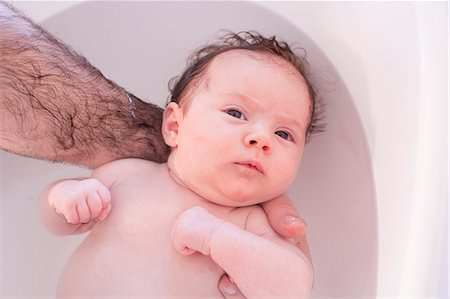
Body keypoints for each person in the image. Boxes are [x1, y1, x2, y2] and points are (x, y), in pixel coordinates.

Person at [0, 2, 313, 297]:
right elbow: (53, 221)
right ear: (175, 127)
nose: (262, 138)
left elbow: (294, 287)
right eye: (236, 113)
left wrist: (217, 238)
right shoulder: (127, 175)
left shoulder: (250, 224)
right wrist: (65, 199)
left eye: (284, 133)